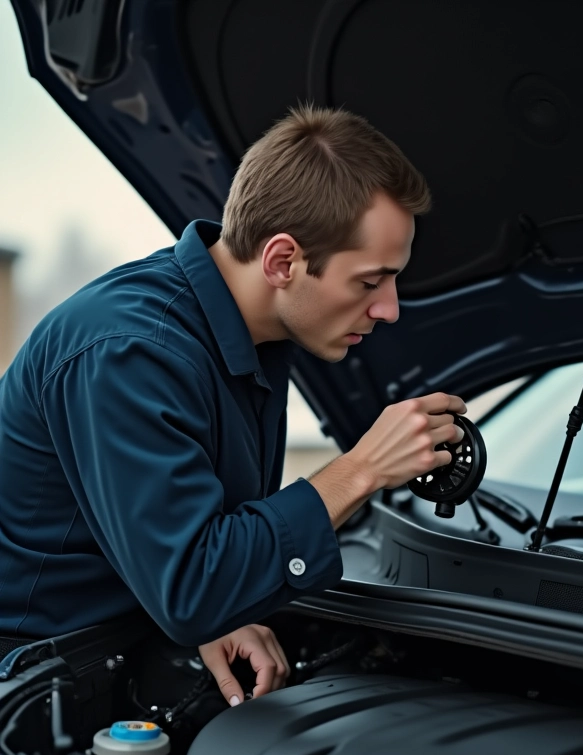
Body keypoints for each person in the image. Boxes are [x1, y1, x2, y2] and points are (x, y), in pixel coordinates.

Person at [0, 106, 466, 706]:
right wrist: (361, 469)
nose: (390, 308)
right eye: (370, 281)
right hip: (34, 689)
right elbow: (192, 587)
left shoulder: (252, 342)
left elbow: (190, 548)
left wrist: (225, 610)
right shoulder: (131, 352)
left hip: (121, 645)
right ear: (281, 261)